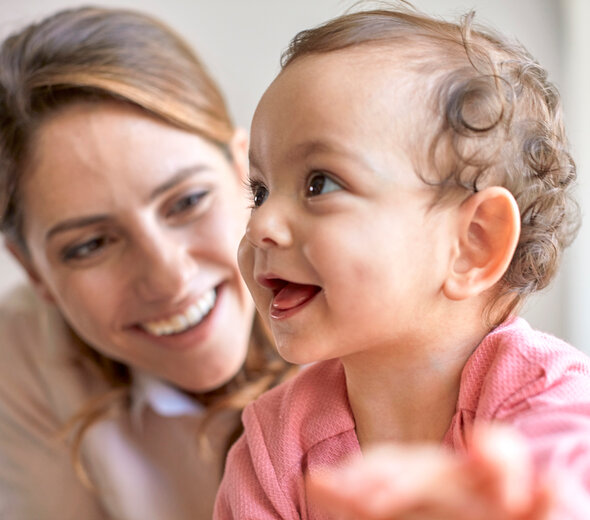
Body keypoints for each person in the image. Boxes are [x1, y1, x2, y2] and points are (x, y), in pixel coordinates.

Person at [214, 5, 590, 519]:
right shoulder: (272, 444)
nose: (260, 226)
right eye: (260, 192)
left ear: (473, 244)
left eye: (319, 183)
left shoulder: (552, 400)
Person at [0, 6, 294, 520]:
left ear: (247, 172)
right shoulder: (21, 356)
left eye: (186, 202)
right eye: (90, 245)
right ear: (32, 270)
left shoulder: (380, 297)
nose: (170, 278)